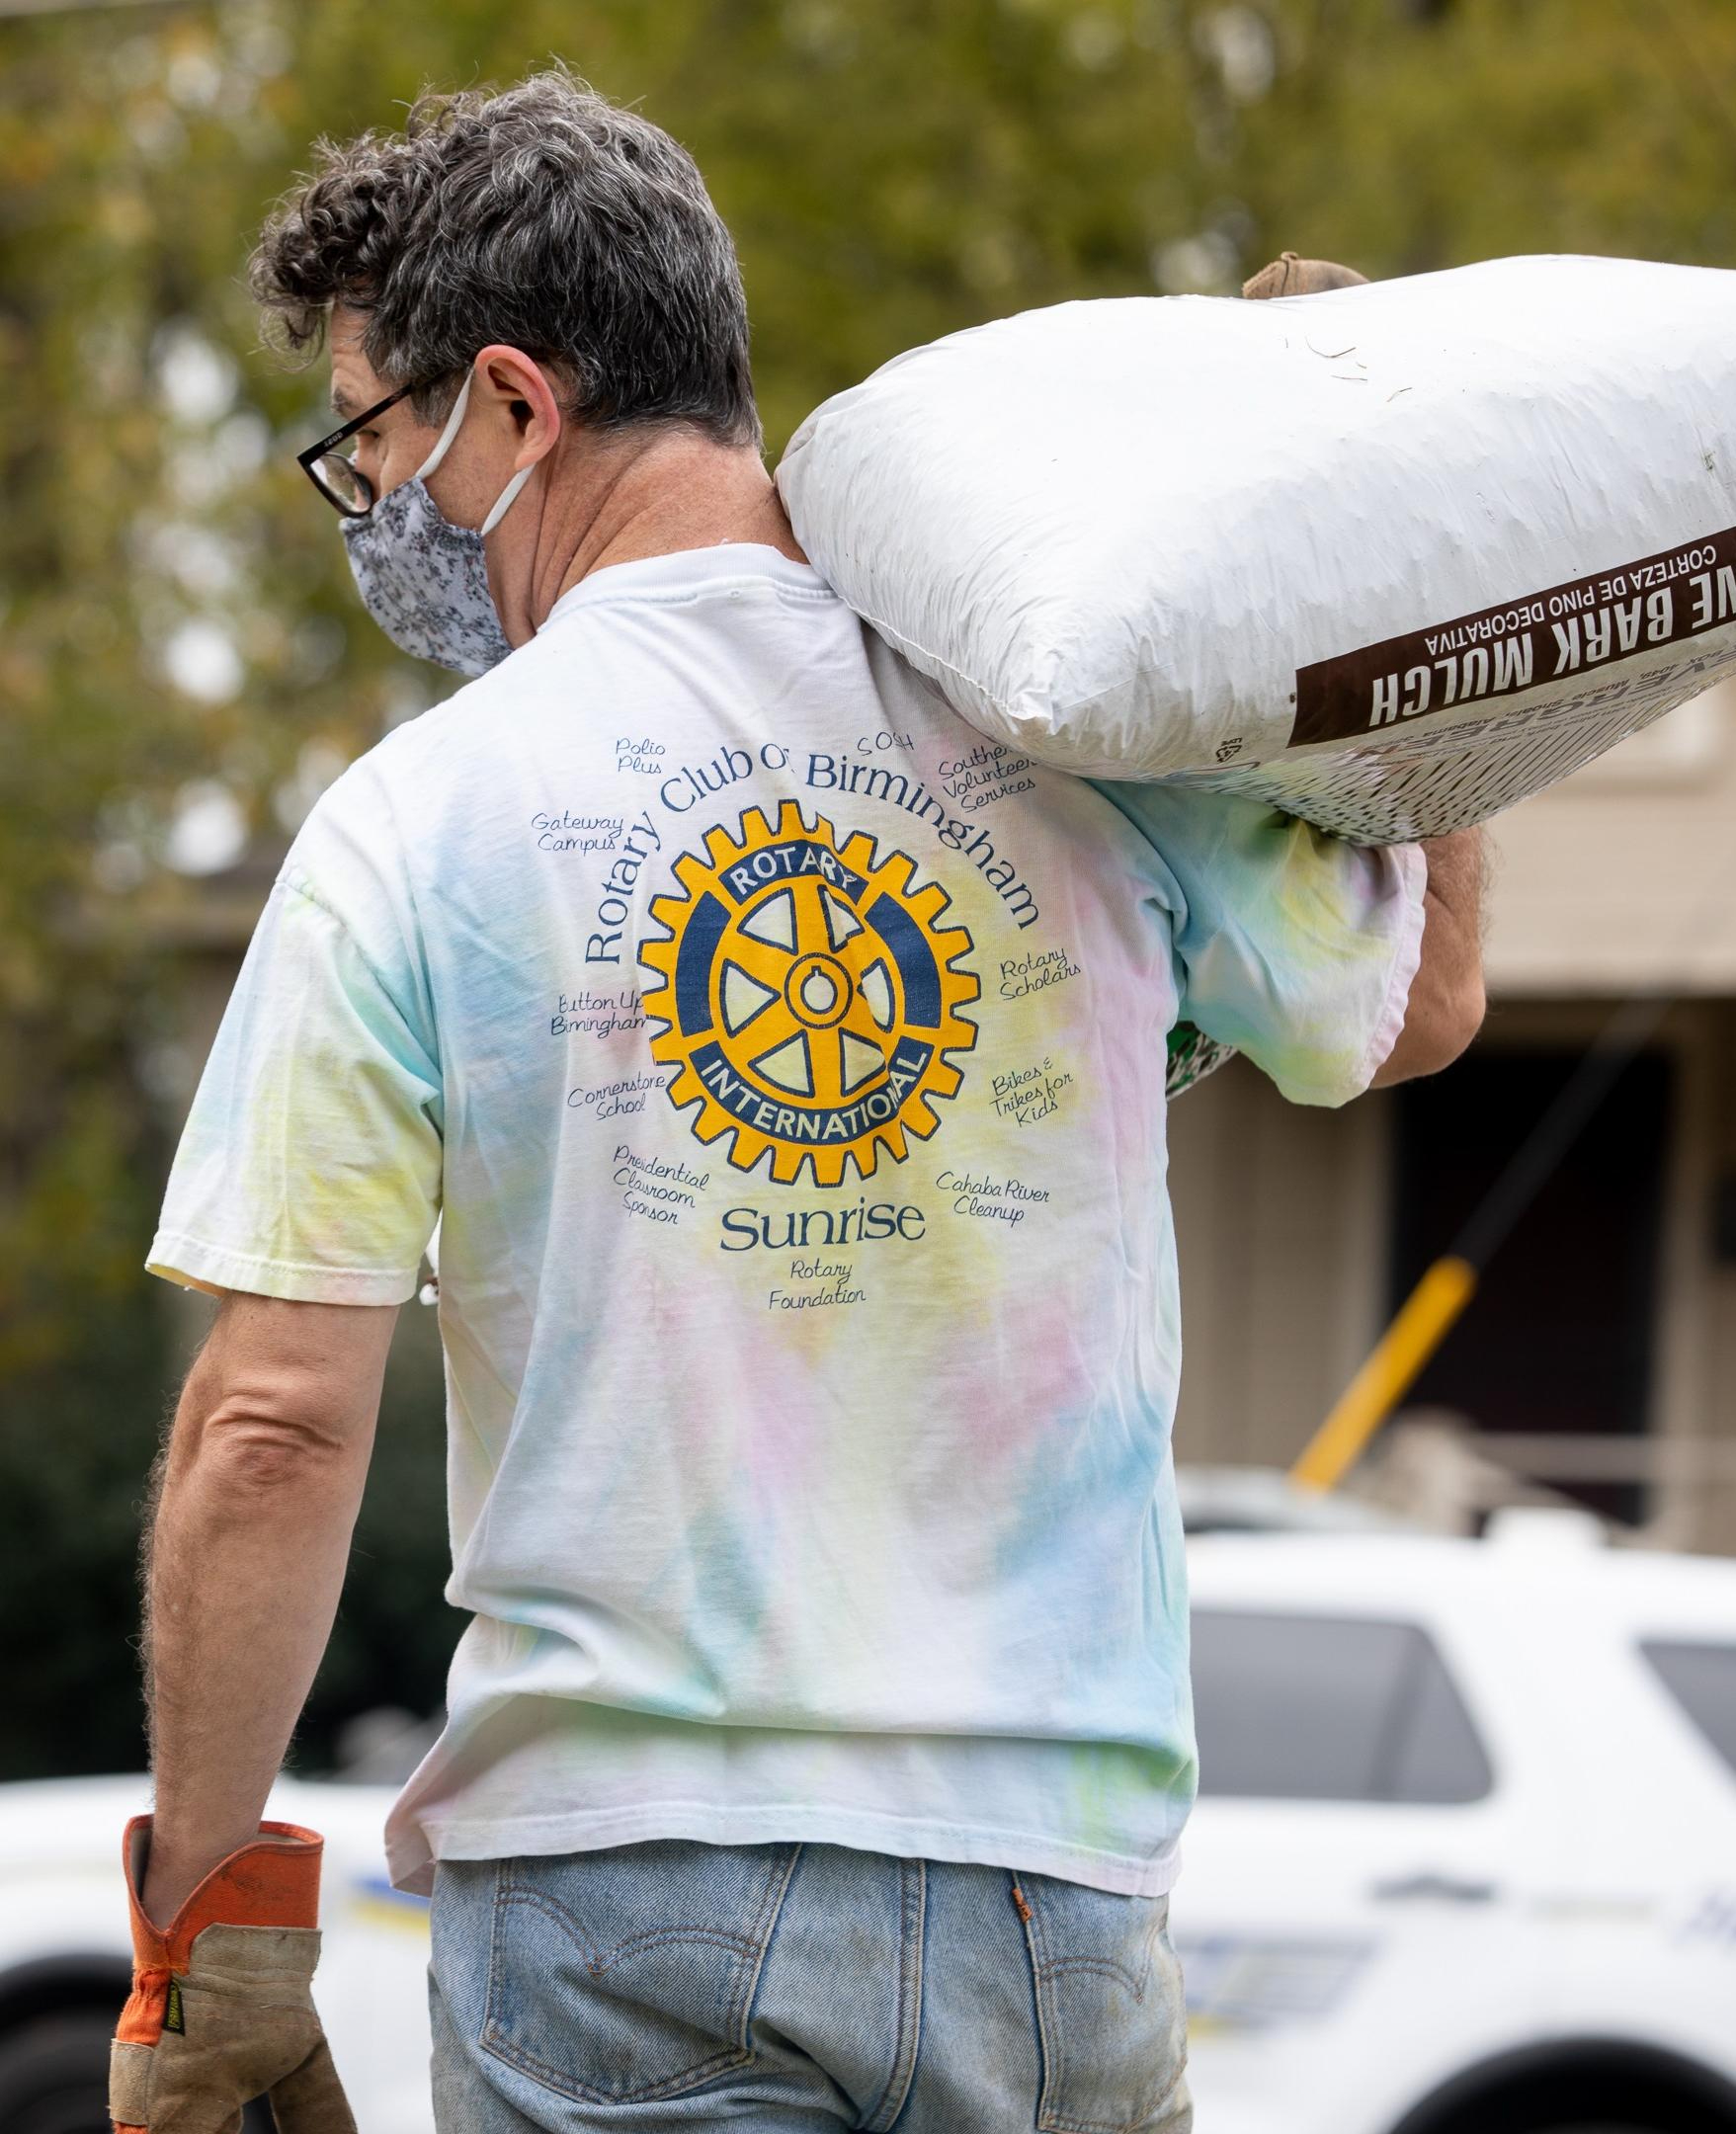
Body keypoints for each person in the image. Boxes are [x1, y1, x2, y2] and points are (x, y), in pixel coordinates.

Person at [111, 67, 1486, 2134]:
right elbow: (1411, 1009)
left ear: (509, 406)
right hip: (1064, 1921)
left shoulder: (418, 823)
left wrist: (209, 1925)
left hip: (625, 1908)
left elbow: (277, 1419)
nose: (372, 510)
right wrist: (1419, 615)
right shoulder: (1071, 725)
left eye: (370, 444)